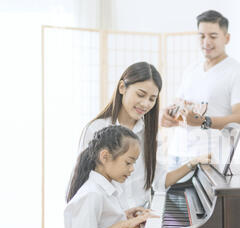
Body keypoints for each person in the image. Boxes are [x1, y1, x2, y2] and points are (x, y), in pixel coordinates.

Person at [79, 61, 210, 211]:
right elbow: (86, 186)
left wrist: (192, 163)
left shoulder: (150, 133)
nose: (145, 104)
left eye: (152, 99)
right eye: (141, 95)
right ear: (122, 88)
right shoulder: (96, 129)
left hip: (142, 222)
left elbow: (160, 182)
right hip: (111, 224)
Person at [160, 10, 240, 174]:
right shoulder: (191, 69)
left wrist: (203, 121)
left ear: (226, 38)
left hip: (208, 158)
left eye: (213, 36)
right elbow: (178, 104)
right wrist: (169, 115)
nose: (206, 42)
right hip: (176, 154)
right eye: (201, 36)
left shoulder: (236, 72)